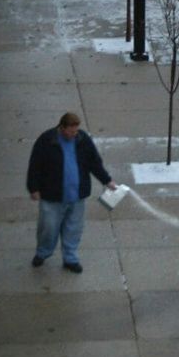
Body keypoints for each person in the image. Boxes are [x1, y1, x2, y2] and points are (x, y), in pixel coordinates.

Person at [26, 112, 119, 273]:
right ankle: (43, 252)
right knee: (48, 227)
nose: (74, 134)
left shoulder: (82, 139)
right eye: (71, 131)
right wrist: (33, 188)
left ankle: (70, 258)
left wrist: (107, 180)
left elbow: (94, 162)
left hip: (76, 197)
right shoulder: (46, 140)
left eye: (76, 131)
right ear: (62, 127)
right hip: (52, 196)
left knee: (73, 228)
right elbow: (35, 165)